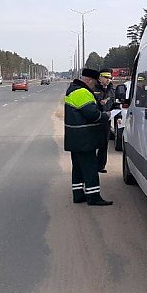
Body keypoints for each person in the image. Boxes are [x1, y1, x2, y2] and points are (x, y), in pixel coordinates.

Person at [63, 68, 113, 206]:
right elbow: (93, 115)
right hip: (84, 138)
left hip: (75, 137)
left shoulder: (74, 89)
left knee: (78, 168)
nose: (94, 86)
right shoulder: (82, 92)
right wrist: (106, 115)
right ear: (89, 80)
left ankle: (78, 194)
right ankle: (94, 197)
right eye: (94, 83)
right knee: (90, 168)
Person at [94, 69, 115, 173]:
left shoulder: (111, 90)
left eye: (110, 78)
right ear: (100, 78)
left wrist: (118, 116)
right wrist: (99, 104)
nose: (108, 80)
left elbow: (115, 104)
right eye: (106, 77)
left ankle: (100, 166)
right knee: (93, 143)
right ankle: (91, 165)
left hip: (106, 120)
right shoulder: (93, 88)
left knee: (104, 144)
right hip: (95, 119)